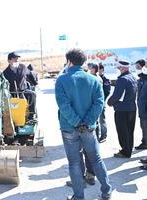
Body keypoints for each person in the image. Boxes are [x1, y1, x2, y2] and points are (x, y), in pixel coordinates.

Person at [55, 48, 112, 200]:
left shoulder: (62, 79)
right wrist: (86, 122)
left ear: (69, 61)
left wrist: (76, 122)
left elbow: (63, 105)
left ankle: (79, 197)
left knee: (74, 162)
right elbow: (99, 103)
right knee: (96, 159)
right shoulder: (94, 80)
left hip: (69, 128)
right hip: (89, 128)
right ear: (84, 62)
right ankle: (106, 191)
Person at [107, 60, 137, 158]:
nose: (118, 70)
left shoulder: (122, 79)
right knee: (129, 130)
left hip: (122, 109)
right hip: (131, 108)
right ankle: (128, 148)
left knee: (123, 131)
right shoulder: (132, 77)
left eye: (119, 68)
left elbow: (117, 95)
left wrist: (109, 102)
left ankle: (125, 152)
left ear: (123, 68)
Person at [3, 52, 38, 121]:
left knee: (32, 94)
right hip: (11, 92)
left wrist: (36, 84)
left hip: (23, 90)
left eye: (17, 59)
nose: (17, 61)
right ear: (9, 61)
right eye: (14, 59)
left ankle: (31, 115)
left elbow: (30, 74)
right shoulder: (5, 72)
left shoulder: (22, 67)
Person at [135, 59, 147, 150]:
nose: (136, 69)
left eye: (138, 67)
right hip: (142, 107)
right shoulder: (141, 79)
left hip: (145, 108)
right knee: (143, 126)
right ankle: (144, 142)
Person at [98, 63, 111, 143]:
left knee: (102, 119)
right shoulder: (94, 77)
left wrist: (102, 100)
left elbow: (107, 91)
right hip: (94, 102)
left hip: (101, 102)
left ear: (101, 70)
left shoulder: (105, 79)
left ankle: (103, 135)